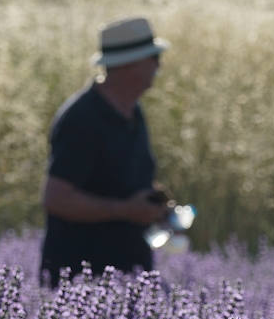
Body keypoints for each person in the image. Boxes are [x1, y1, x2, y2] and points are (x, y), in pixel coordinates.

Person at [39, 16, 174, 288]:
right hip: (80, 280)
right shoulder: (82, 118)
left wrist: (153, 205)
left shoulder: (133, 112)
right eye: (153, 58)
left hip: (129, 274)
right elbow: (56, 198)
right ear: (129, 66)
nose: (159, 66)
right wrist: (125, 210)